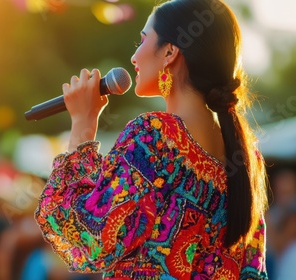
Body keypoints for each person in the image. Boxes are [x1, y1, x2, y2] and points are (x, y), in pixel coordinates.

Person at [35, 0, 269, 279]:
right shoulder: (245, 157)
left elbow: (89, 237)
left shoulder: (155, 136)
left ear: (170, 51)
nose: (134, 57)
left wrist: (82, 127)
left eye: (143, 40)